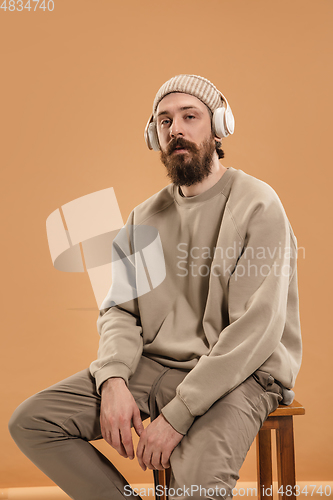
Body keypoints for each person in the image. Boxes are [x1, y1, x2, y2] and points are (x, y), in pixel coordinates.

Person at [9, 74, 302, 500]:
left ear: (218, 125)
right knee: (33, 421)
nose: (176, 129)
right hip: (155, 366)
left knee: (197, 489)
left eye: (189, 116)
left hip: (242, 375)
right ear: (154, 135)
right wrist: (112, 379)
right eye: (164, 121)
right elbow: (121, 312)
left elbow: (254, 330)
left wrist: (177, 416)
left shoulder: (258, 204)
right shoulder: (142, 218)